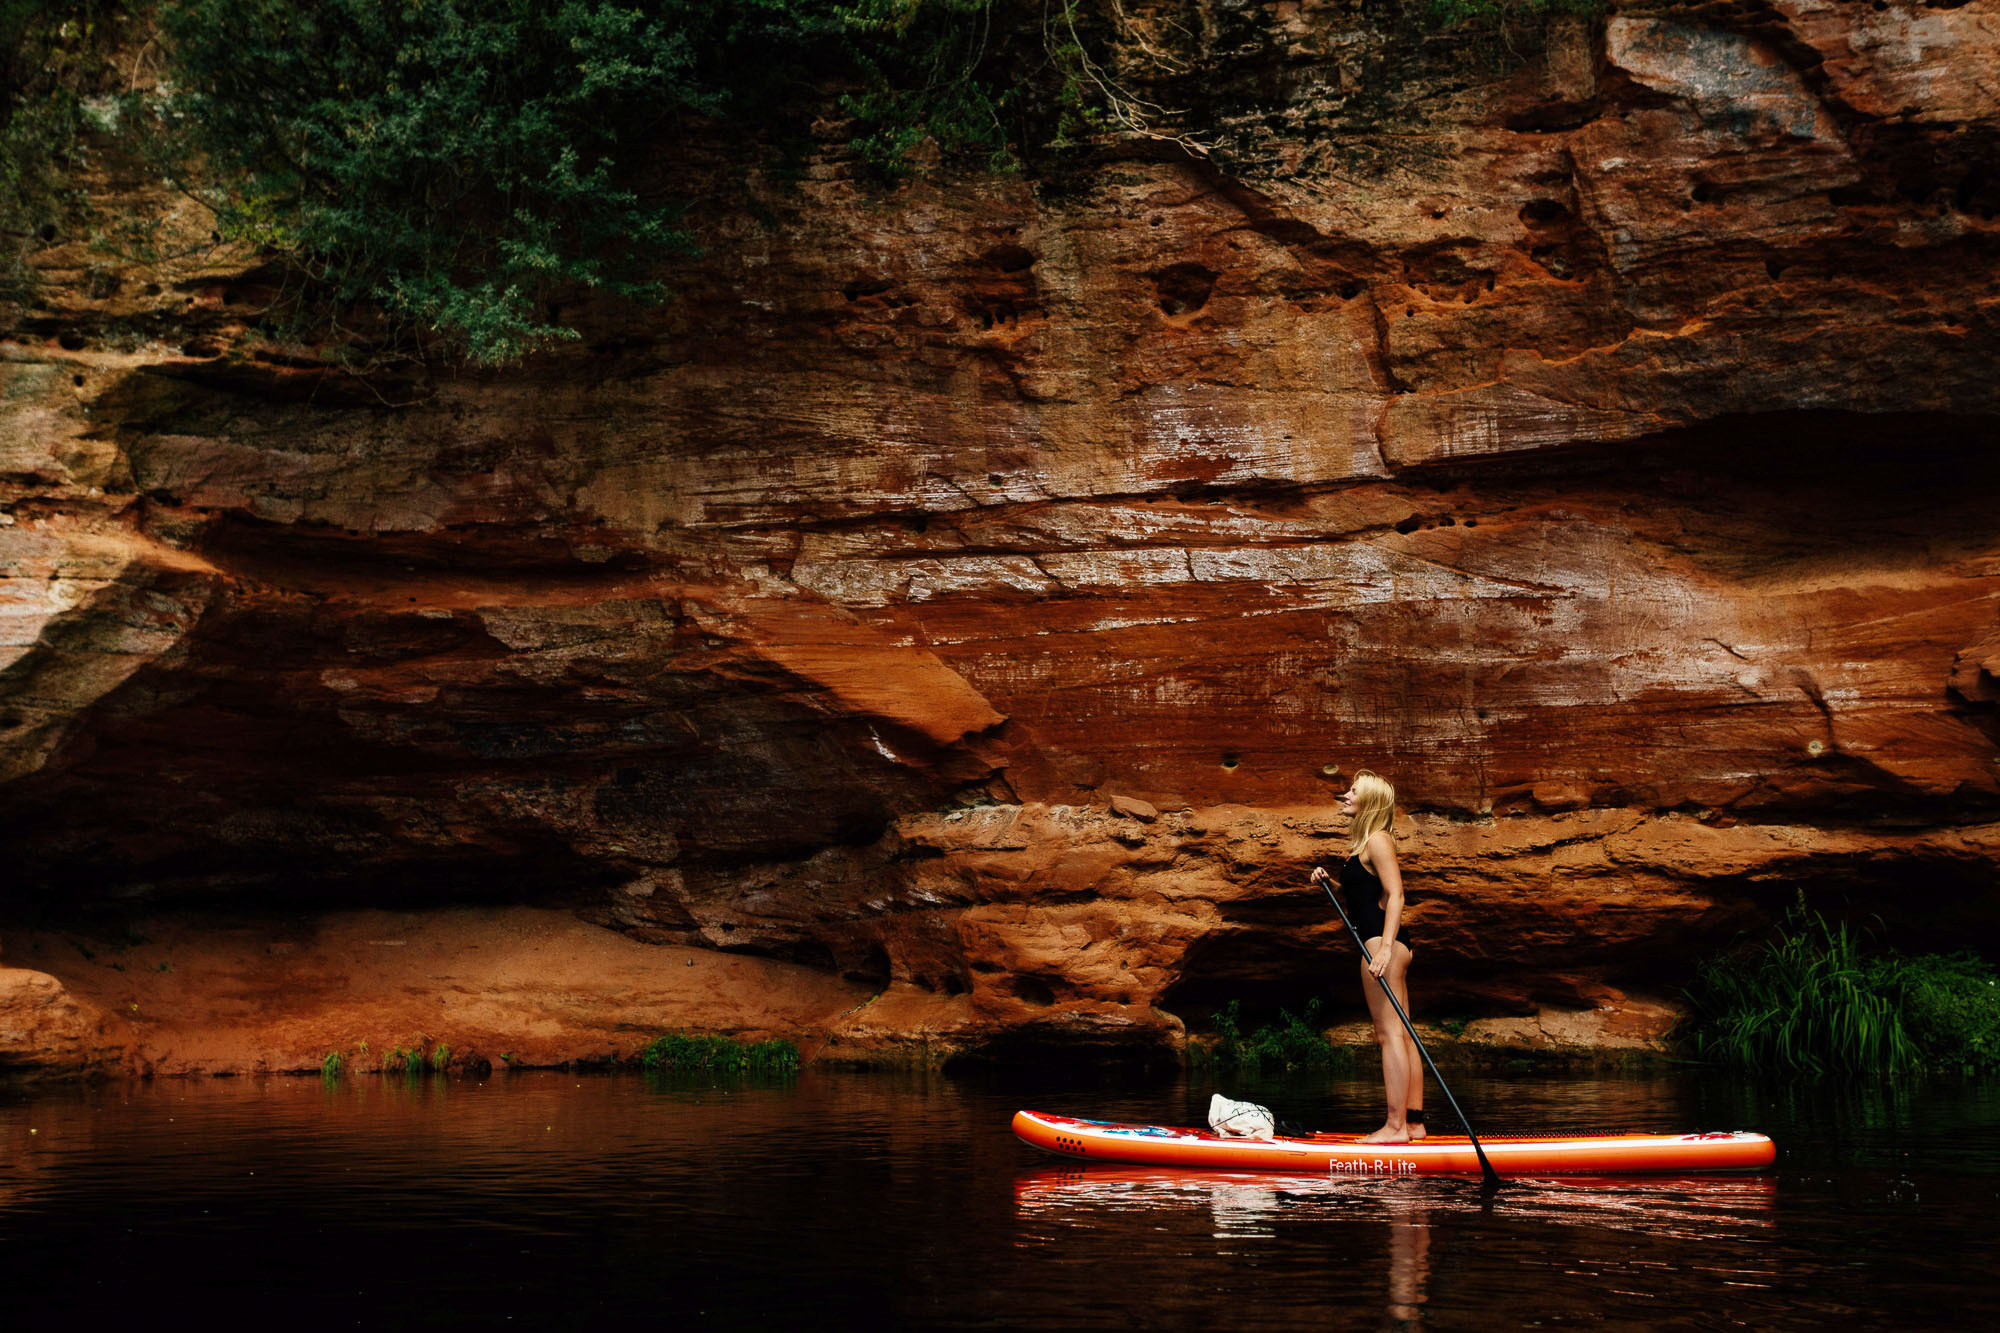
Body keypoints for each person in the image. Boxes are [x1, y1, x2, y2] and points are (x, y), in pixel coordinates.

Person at [1311, 770, 1425, 1145]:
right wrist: (1333, 882)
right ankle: (1413, 1124)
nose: (1345, 795)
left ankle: (1394, 1129)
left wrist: (1386, 948)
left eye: (1353, 791)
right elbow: (1366, 894)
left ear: (1370, 801)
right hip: (1386, 942)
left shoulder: (1378, 840)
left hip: (1381, 943)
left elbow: (1396, 895)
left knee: (1388, 1035)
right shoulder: (1366, 843)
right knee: (1403, 1035)